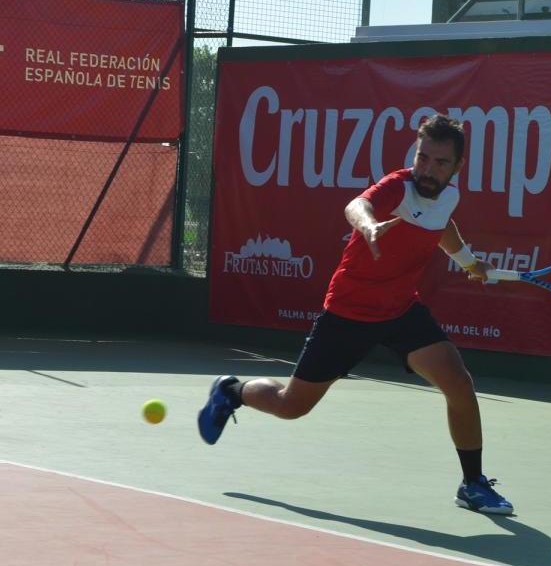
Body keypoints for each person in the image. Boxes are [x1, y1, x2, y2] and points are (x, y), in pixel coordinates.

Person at [198, 114, 514, 515]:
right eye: (423, 158)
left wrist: (469, 261)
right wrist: (368, 226)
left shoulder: (448, 196)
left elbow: (442, 227)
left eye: (440, 163)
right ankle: (231, 391)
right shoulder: (397, 188)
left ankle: (472, 484)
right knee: (291, 405)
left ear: (456, 168)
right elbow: (358, 204)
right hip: (348, 312)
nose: (428, 170)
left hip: (401, 309)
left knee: (459, 383)